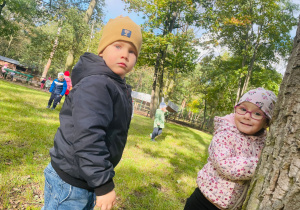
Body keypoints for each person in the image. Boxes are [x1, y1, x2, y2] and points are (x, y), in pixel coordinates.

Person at [42, 15, 142, 210]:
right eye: (118, 46)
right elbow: (89, 136)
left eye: (132, 51)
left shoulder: (113, 84)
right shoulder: (96, 84)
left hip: (85, 177)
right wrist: (103, 184)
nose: (125, 55)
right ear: (102, 50)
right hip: (71, 183)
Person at [184, 87, 277, 210]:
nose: (247, 116)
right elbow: (225, 165)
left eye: (257, 113)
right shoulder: (225, 134)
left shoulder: (263, 142)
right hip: (204, 202)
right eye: (243, 109)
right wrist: (257, 164)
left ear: (266, 123)